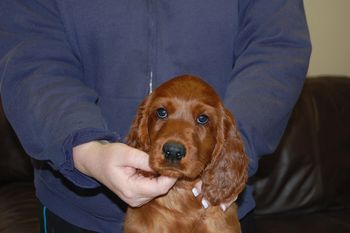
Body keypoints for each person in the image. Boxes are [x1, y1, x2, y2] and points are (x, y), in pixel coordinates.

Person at [0, 1, 311, 232]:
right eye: (162, 113)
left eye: (201, 120)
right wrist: (83, 147)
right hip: (77, 207)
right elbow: (31, 56)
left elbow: (277, 45)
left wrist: (235, 140)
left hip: (215, 210)